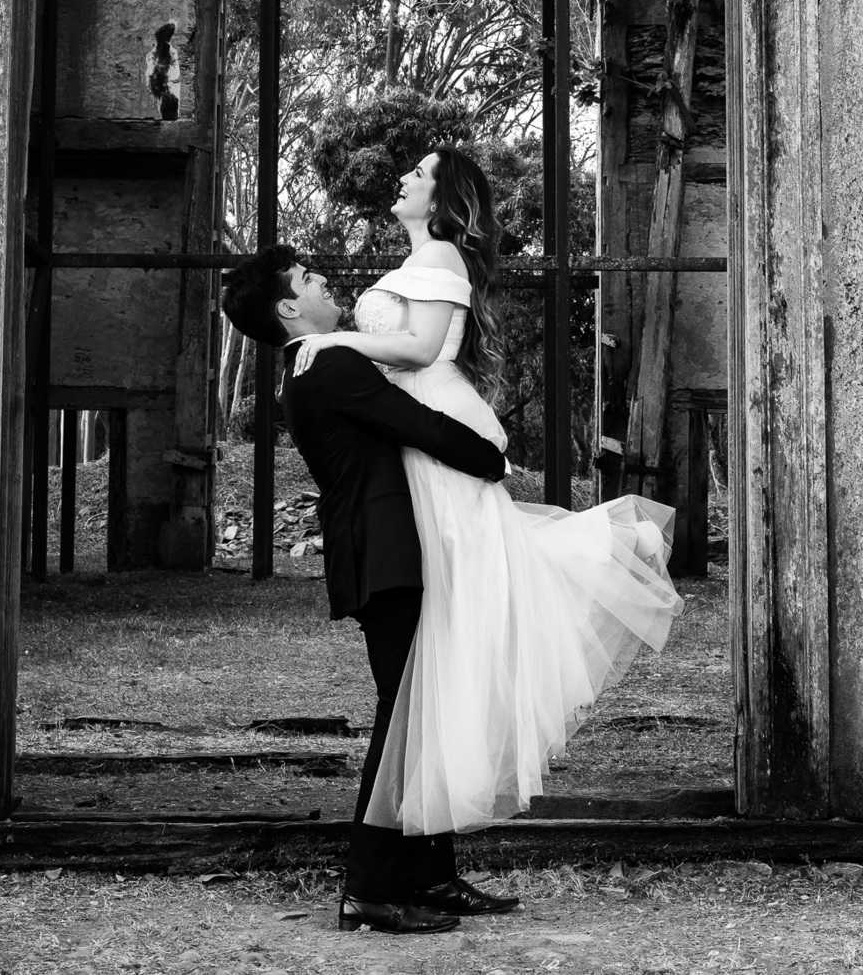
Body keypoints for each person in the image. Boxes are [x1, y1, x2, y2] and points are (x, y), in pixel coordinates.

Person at [289, 145, 683, 840]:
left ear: (443, 200)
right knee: (463, 598)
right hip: (419, 432)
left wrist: (341, 339)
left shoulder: (440, 256)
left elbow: (418, 347)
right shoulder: (421, 262)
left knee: (473, 585)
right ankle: (423, 844)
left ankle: (610, 549)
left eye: (418, 173)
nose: (403, 177)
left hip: (441, 420)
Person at [221, 246, 520, 935]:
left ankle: (431, 875)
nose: (326, 282)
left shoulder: (311, 364)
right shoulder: (327, 361)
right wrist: (491, 457)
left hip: (379, 553)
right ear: (289, 307)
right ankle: (370, 888)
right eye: (309, 278)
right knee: (404, 719)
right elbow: (415, 425)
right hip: (384, 557)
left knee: (420, 712)